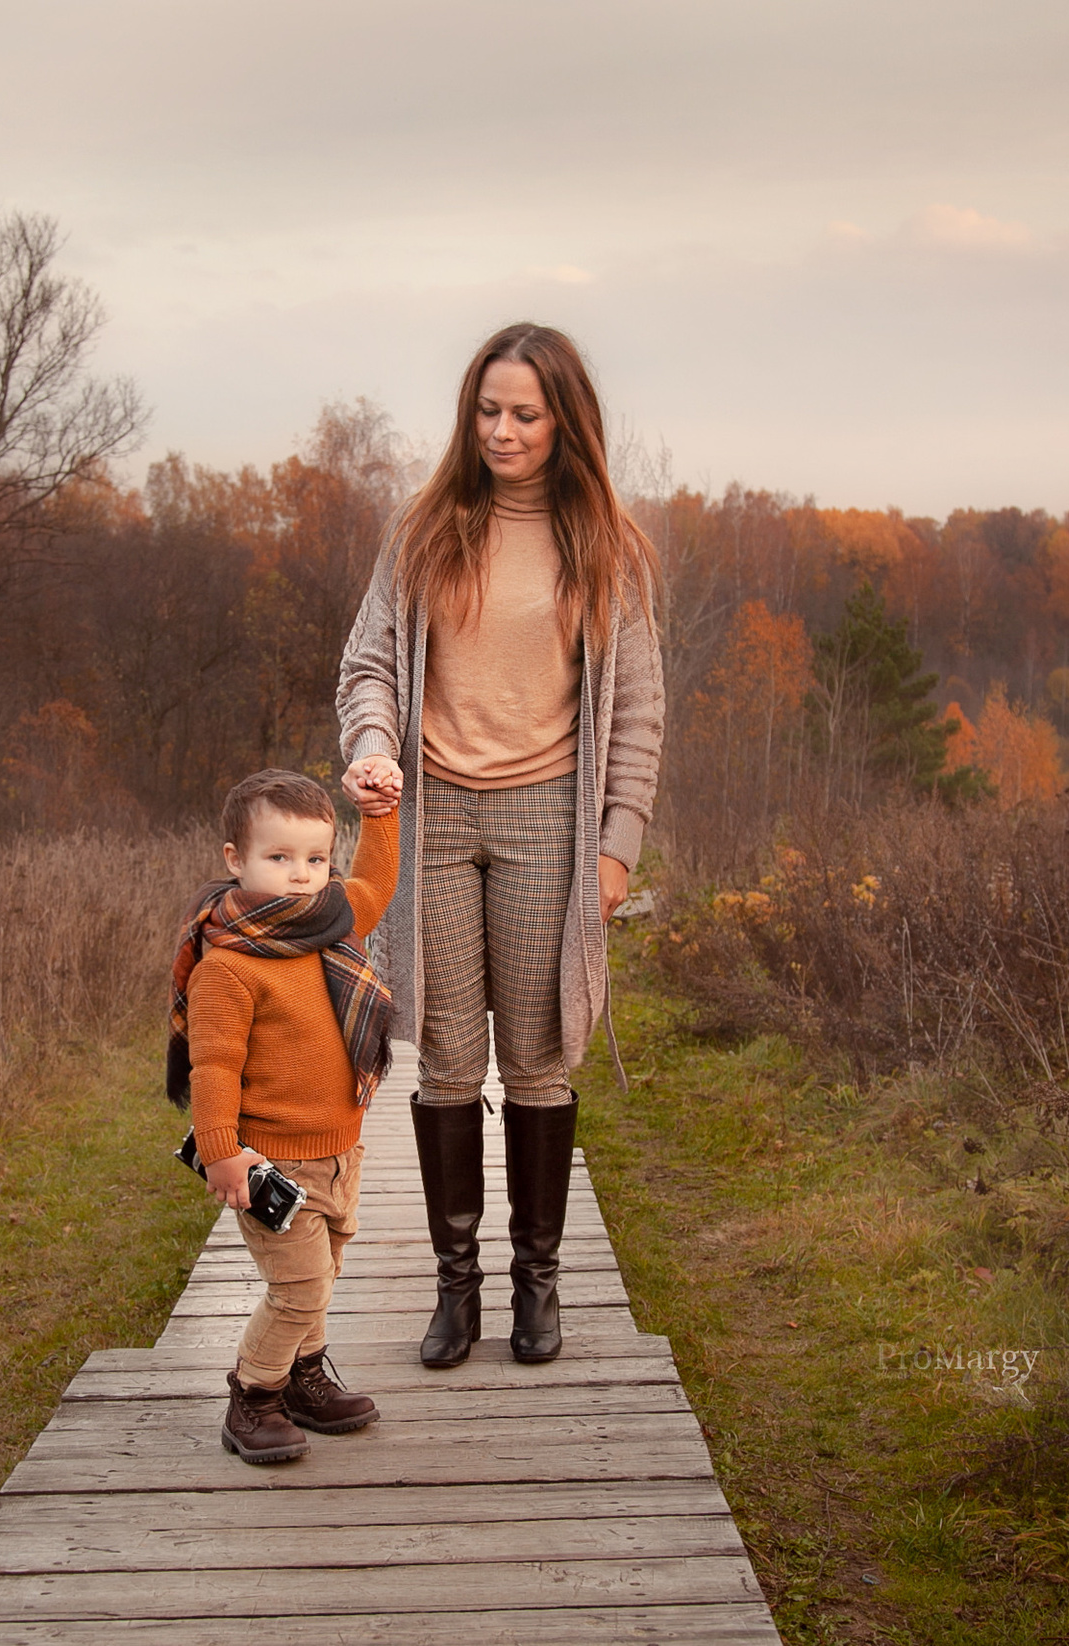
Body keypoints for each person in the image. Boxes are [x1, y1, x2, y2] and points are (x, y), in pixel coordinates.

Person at [335, 321, 665, 1369]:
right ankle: (455, 1290)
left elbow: (640, 713)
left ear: (564, 421)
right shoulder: (425, 527)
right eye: (488, 410)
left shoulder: (604, 544)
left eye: (525, 413)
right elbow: (369, 664)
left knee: (535, 1059)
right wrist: (375, 746)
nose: (503, 430)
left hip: (544, 820)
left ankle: (537, 1284)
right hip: (431, 818)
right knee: (442, 1059)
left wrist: (617, 847)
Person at [168, 766, 403, 1464]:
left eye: (315, 859)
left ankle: (304, 1378)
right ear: (235, 861)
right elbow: (214, 1067)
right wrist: (220, 1151)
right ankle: (254, 1394)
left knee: (320, 1276)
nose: (302, 875)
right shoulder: (229, 967)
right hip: (273, 1160)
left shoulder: (327, 918)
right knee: (296, 1288)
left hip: (340, 1149)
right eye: (279, 858)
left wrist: (381, 811)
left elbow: (378, 884)